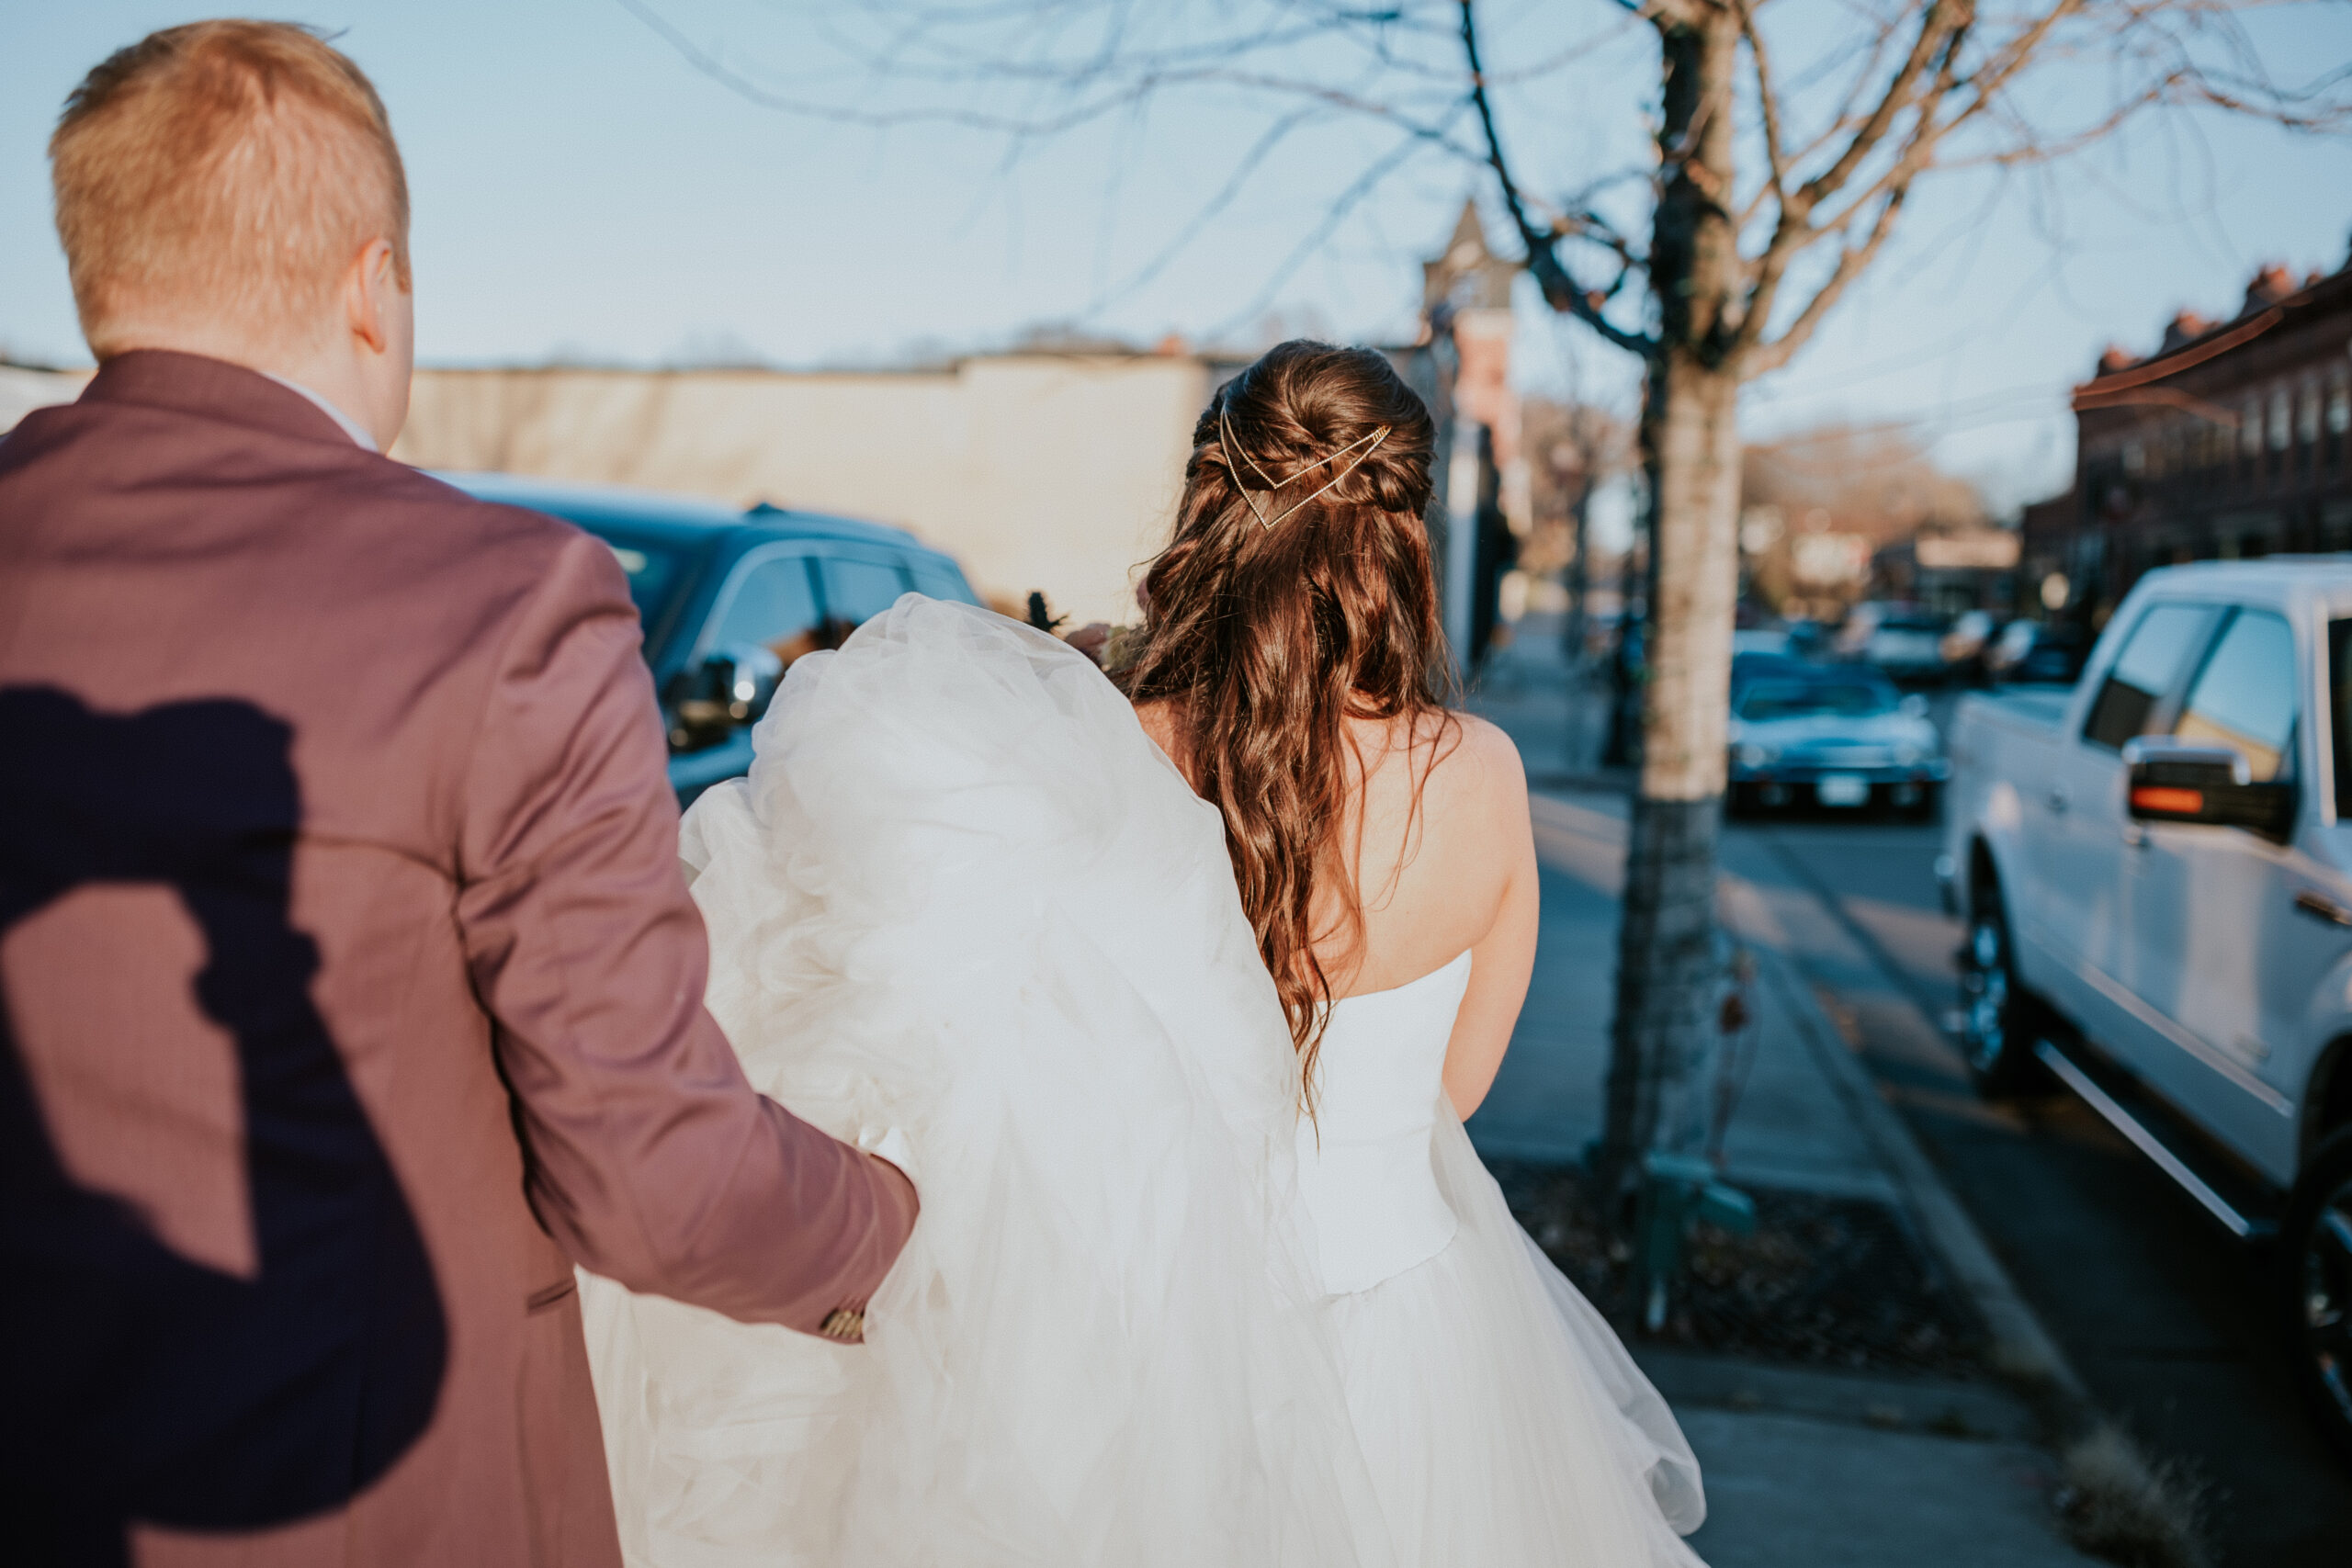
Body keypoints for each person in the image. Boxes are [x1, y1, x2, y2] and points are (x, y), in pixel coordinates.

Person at [0, 23, 916, 1568]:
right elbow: (654, 1180)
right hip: (374, 1502)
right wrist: (882, 1221)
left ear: (103, 272)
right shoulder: (500, 606)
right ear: (374, 286)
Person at [586, 343, 1706, 1565]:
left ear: (1206, 510)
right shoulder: (1479, 776)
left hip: (1129, 1349)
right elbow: (1461, 1088)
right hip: (1411, 1334)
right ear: (1407, 536)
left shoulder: (1098, 740)